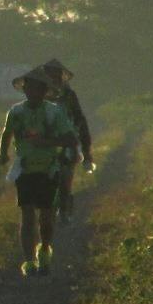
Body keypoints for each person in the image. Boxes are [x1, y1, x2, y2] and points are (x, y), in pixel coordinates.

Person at [0, 70, 79, 277]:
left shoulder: (54, 113)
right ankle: (29, 260)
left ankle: (44, 249)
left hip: (48, 169)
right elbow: (7, 133)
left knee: (46, 216)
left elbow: (70, 139)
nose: (34, 92)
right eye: (30, 88)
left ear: (44, 91)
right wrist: (3, 154)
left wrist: (46, 143)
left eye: (38, 89)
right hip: (25, 169)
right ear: (24, 89)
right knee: (27, 214)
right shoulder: (16, 112)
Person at [39, 58, 94, 219]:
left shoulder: (69, 95)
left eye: (55, 74)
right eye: (49, 74)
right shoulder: (38, 94)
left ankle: (64, 206)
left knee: (65, 177)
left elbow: (79, 119)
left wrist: (86, 149)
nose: (53, 78)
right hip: (44, 142)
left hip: (66, 141)